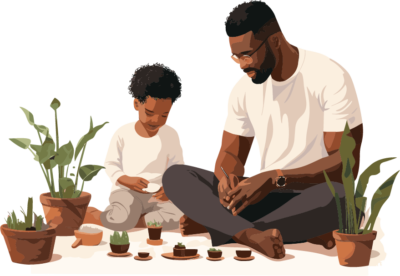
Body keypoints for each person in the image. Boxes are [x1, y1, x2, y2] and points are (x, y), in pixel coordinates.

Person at [162, 0, 365, 259]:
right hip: (260, 198)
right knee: (177, 176)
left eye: (246, 54)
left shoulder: (330, 76)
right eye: (234, 56)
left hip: (312, 195)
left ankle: (220, 225)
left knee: (343, 198)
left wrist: (275, 178)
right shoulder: (242, 89)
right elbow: (230, 155)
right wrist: (227, 180)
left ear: (276, 41)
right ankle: (251, 234)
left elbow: (345, 164)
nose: (240, 63)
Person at [84, 62, 185, 231]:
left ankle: (135, 222)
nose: (156, 120)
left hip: (157, 196)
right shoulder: (122, 133)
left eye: (165, 115)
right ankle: (97, 216)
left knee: (178, 217)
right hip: (126, 193)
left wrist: (170, 189)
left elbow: (178, 168)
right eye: (150, 113)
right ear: (136, 104)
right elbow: (110, 165)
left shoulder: (171, 134)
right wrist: (126, 180)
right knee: (122, 215)